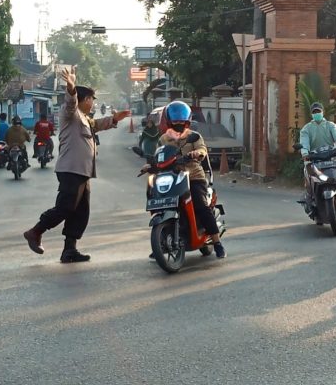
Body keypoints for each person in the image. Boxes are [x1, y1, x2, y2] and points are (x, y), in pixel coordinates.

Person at [23, 67, 131, 263]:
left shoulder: (84, 118)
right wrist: (71, 88)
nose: (92, 103)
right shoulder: (70, 113)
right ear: (85, 99)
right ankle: (35, 231)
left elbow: (97, 125)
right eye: (91, 99)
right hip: (71, 169)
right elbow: (71, 103)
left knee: (80, 211)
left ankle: (69, 250)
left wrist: (114, 119)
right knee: (65, 207)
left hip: (82, 171)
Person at [146, 100, 227, 258]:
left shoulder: (194, 136)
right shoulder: (163, 139)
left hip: (193, 177)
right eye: (175, 121)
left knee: (201, 206)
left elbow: (202, 149)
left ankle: (217, 243)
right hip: (171, 177)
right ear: (169, 121)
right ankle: (160, 241)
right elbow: (158, 156)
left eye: (181, 122)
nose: (178, 124)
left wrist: (198, 153)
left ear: (187, 121)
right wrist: (149, 165)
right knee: (156, 200)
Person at [298, 101, 336, 215]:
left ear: (323, 112)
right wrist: (305, 153)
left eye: (318, 111)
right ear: (311, 114)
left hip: (331, 157)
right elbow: (304, 144)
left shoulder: (331, 125)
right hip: (314, 159)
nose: (317, 113)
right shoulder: (306, 129)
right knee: (309, 172)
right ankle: (311, 199)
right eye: (314, 112)